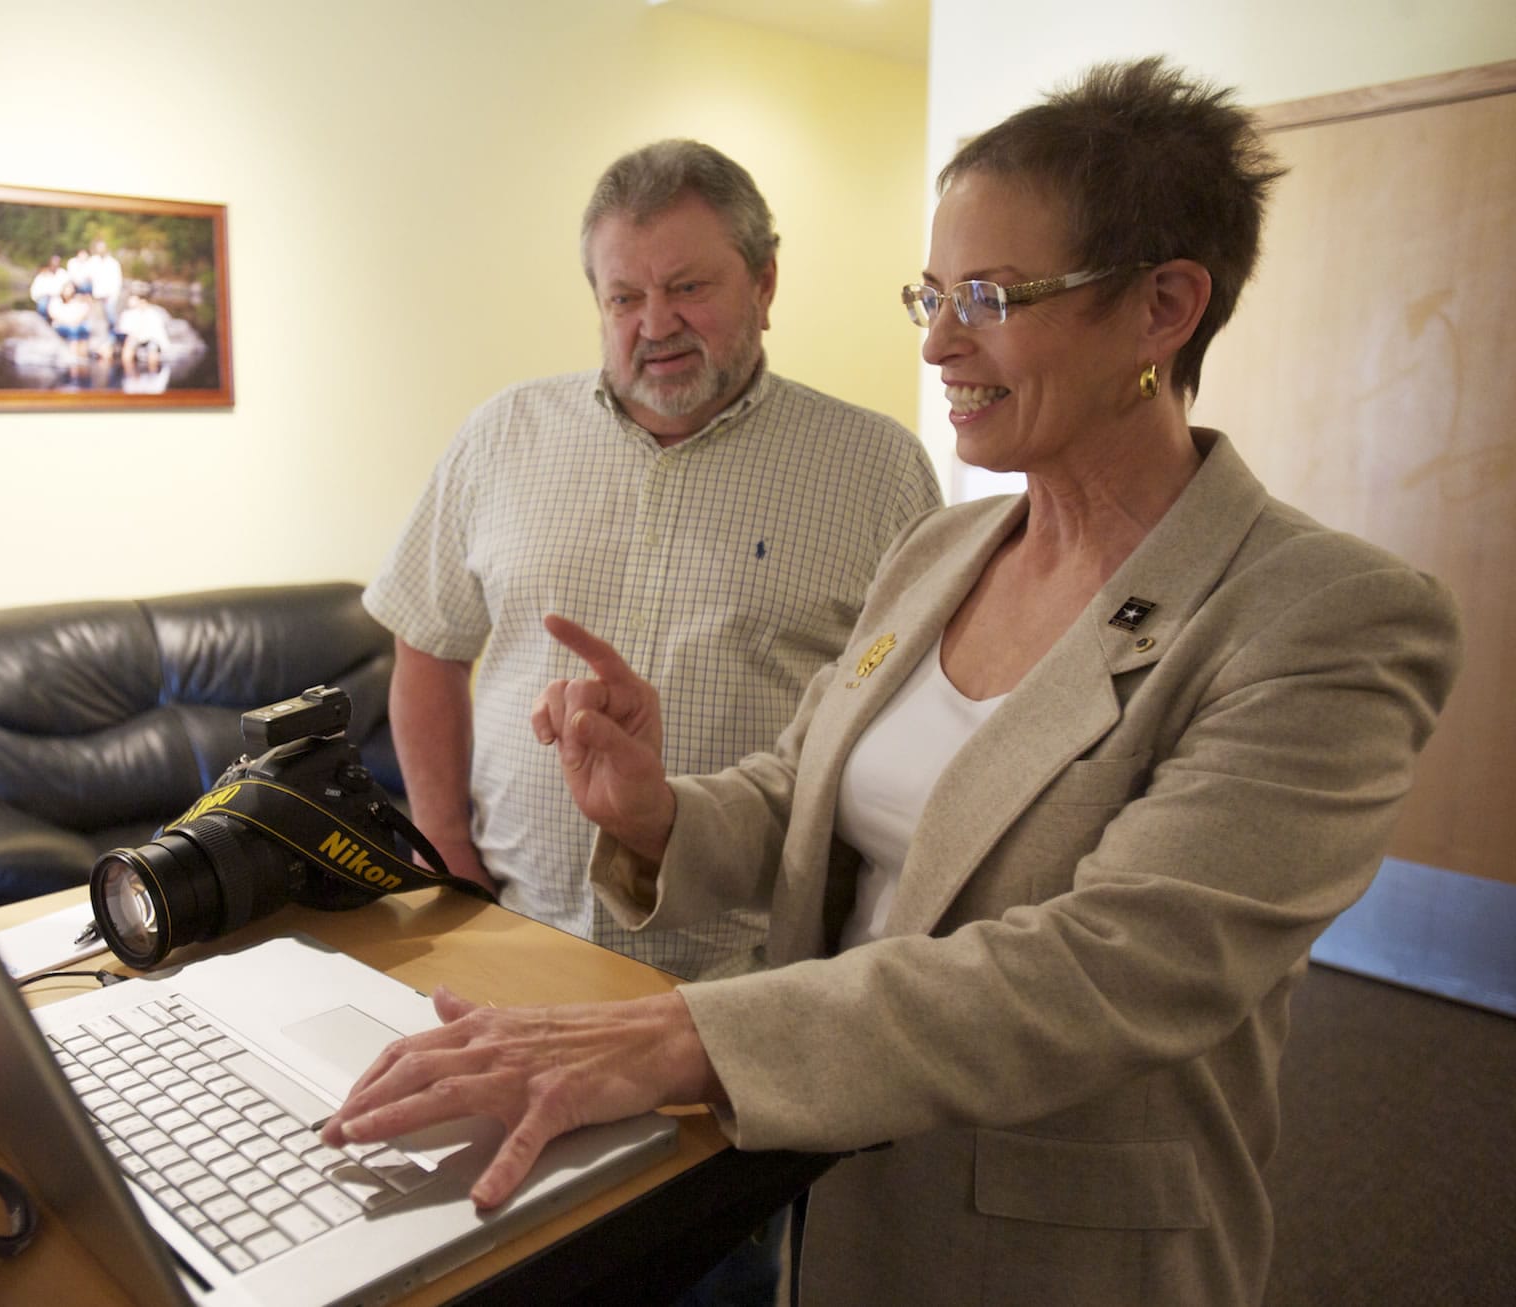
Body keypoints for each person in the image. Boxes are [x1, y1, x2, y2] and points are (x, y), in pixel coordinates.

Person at [323, 59, 1463, 1307]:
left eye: (987, 294)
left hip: (1050, 1236)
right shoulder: (946, 550)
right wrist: (656, 812)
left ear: (1161, 308)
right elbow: (800, 790)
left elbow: (1119, 960)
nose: (935, 340)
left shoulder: (1321, 615)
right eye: (931, 291)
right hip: (831, 1174)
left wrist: (689, 1033)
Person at [363, 139, 941, 985]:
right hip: (512, 934)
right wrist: (446, 847)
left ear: (765, 283)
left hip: (743, 974)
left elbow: (910, 726)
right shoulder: (501, 436)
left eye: (688, 288)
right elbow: (427, 643)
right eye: (624, 296)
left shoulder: (878, 469)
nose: (655, 323)